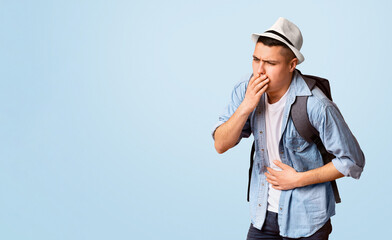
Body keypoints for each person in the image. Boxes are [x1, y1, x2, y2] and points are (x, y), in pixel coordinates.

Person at [211, 17, 365, 239]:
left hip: (307, 219)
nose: (260, 71)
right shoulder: (245, 90)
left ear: (292, 65)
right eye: (256, 59)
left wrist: (298, 179)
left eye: (271, 63)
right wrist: (246, 107)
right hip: (262, 214)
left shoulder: (316, 105)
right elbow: (220, 145)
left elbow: (353, 161)